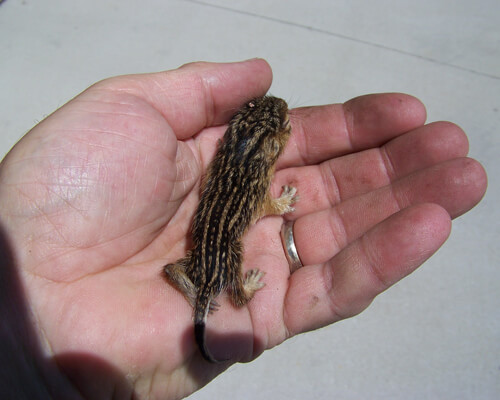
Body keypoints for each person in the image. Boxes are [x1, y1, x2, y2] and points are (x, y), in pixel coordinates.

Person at [0, 59, 487, 399]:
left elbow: (243, 203)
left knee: (205, 263)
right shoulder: (250, 179)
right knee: (226, 273)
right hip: (216, 259)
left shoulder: (230, 169)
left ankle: (199, 290)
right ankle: (226, 294)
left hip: (199, 255)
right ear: (267, 147)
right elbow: (254, 207)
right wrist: (247, 281)